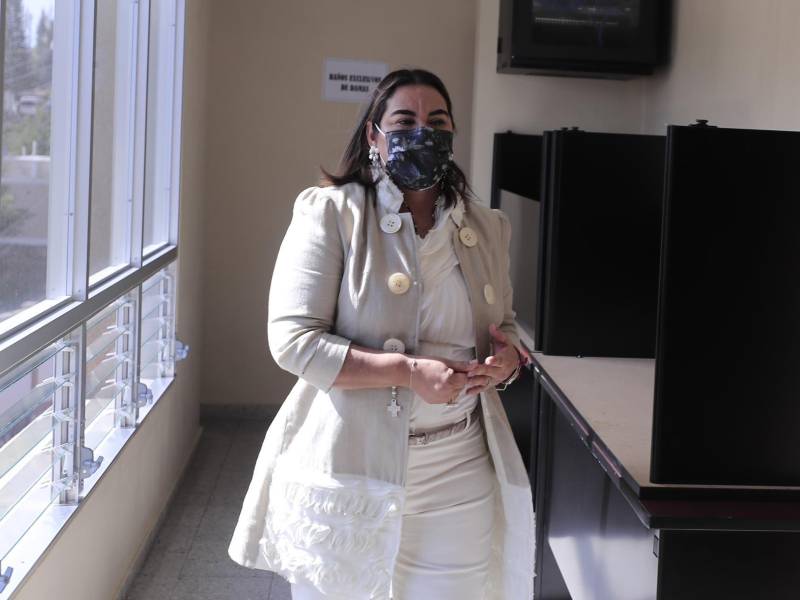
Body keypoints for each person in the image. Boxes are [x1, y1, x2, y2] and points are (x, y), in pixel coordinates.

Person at [227, 68, 535, 600]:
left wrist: (506, 361)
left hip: (459, 467)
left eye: (437, 121)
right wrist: (408, 372)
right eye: (405, 120)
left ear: (452, 133)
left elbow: (501, 325)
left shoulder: (488, 228)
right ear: (374, 135)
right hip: (352, 463)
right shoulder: (331, 213)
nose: (424, 132)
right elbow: (293, 340)